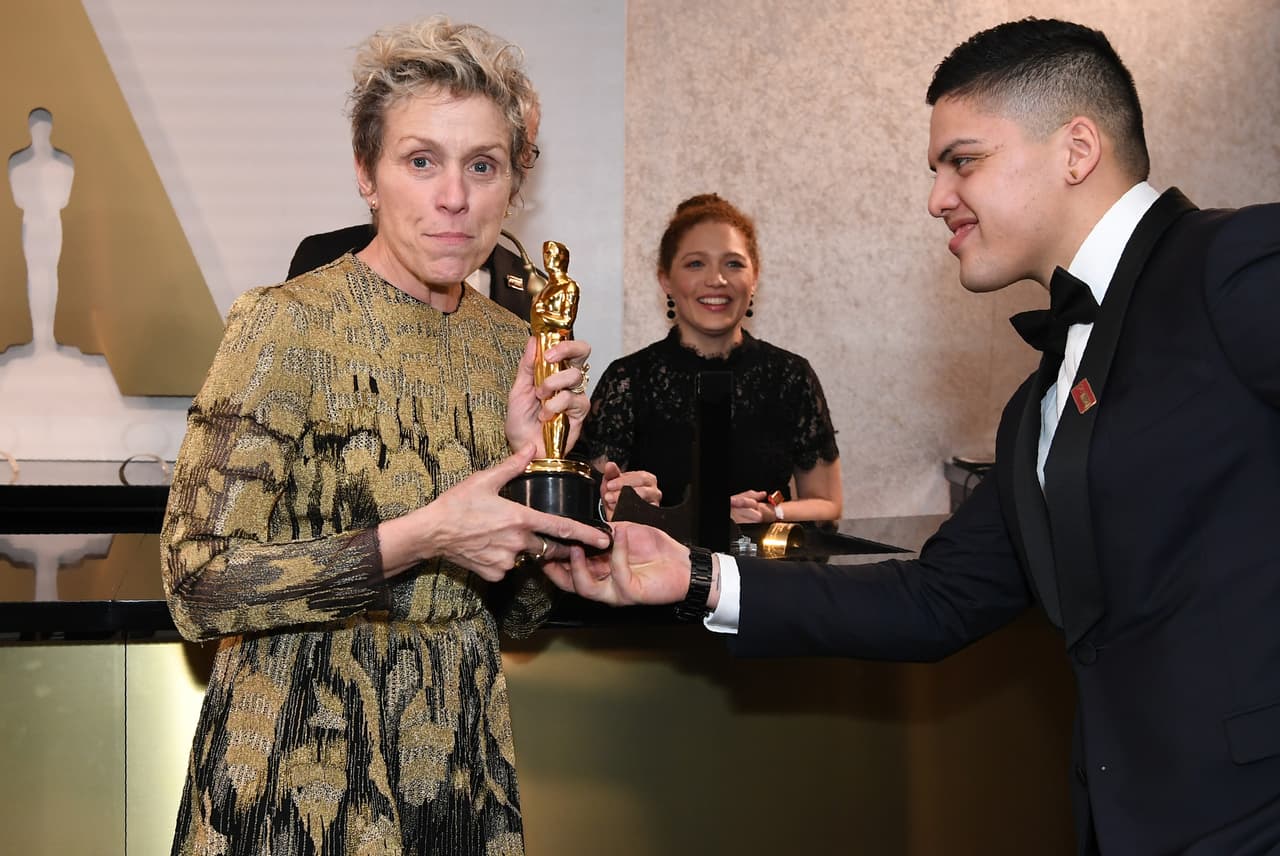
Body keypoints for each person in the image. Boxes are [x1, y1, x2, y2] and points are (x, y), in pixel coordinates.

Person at [547, 18, 1280, 855]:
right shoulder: (1036, 406)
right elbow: (936, 601)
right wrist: (695, 576)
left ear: (1076, 150)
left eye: (962, 160)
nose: (937, 196)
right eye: (936, 169)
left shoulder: (1236, 264)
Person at [160, 17, 610, 855]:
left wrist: (541, 483)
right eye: (420, 161)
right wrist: (422, 535)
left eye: (484, 165)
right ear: (366, 174)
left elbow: (519, 616)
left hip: (457, 764)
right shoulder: (285, 325)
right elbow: (196, 586)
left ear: (514, 182)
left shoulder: (510, 346)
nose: (455, 197)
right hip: (296, 764)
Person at [578, 193, 843, 524]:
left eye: (733, 263)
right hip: (659, 571)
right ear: (666, 280)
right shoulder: (627, 380)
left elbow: (828, 503)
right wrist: (623, 504)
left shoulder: (791, 375)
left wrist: (770, 513)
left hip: (768, 573)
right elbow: (596, 506)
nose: (716, 280)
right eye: (695, 263)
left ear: (755, 277)